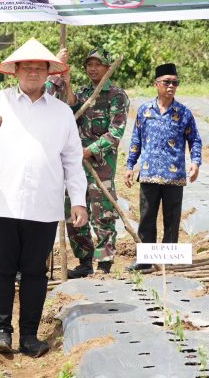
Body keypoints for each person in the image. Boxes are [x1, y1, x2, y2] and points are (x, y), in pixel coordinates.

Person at [0, 38, 88, 358]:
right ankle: (2, 331)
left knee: (34, 271)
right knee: (1, 267)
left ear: (48, 73)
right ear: (15, 71)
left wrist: (78, 200)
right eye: (27, 67)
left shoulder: (61, 113)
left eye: (39, 67)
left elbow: (73, 159)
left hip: (42, 204)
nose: (33, 72)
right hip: (1, 202)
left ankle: (30, 335)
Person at [50, 48, 129, 277]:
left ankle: (103, 265)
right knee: (74, 213)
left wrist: (89, 151)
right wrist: (67, 84)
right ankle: (84, 262)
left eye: (97, 64)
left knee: (101, 215)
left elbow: (115, 133)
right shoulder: (84, 91)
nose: (92, 69)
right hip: (75, 166)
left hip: (100, 166)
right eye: (89, 65)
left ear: (106, 67)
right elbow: (72, 110)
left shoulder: (116, 95)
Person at [124, 63, 202, 271]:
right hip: (149, 173)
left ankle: (168, 259)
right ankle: (145, 260)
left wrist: (195, 162)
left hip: (174, 175)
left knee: (172, 218)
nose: (171, 86)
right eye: (167, 82)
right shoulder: (144, 111)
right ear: (156, 84)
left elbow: (195, 140)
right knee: (147, 217)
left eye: (175, 83)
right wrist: (130, 165)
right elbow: (136, 140)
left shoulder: (183, 113)